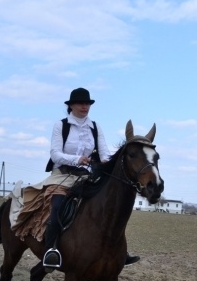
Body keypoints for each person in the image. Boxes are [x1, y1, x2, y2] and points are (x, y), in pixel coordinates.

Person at [42, 87, 140, 271]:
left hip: (86, 176)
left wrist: (107, 165)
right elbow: (55, 154)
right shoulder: (61, 125)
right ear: (71, 105)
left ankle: (118, 252)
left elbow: (104, 155)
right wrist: (77, 159)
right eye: (80, 103)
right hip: (62, 175)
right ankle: (50, 251)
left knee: (110, 208)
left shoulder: (95, 127)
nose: (84, 106)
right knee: (56, 209)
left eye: (87, 103)